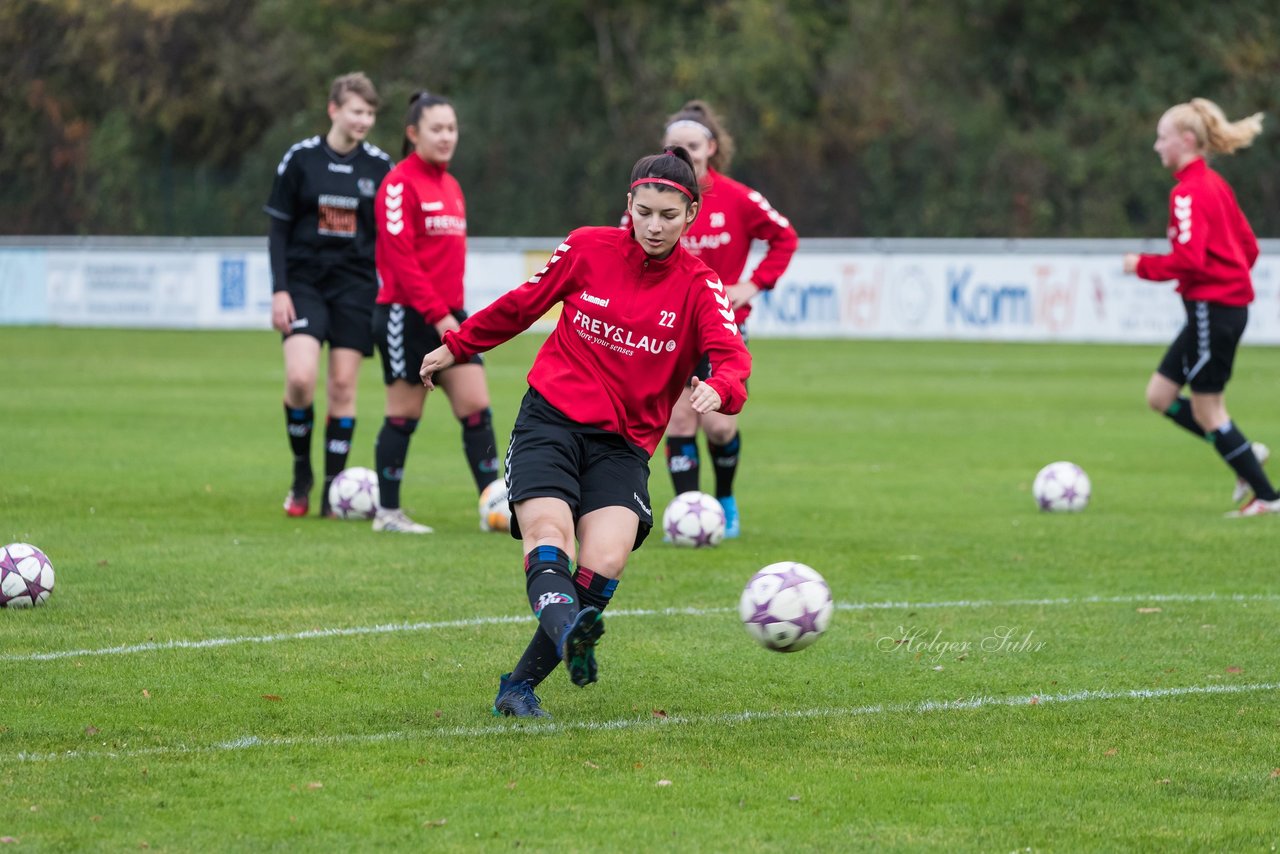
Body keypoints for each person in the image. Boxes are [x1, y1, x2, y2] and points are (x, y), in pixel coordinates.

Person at [418, 146, 751, 717]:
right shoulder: (587, 247)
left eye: (669, 216)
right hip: (551, 419)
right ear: (629, 204)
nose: (654, 226)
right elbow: (524, 305)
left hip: (622, 446)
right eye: (644, 211)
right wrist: (456, 346)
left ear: (690, 216)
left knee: (607, 560)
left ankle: (518, 684)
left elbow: (733, 358)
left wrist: (720, 388)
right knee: (551, 534)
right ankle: (568, 632)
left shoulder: (701, 286)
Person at [647, 100, 797, 538]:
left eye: (693, 146)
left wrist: (753, 285)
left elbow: (784, 238)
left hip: (721, 329)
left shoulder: (739, 198)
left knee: (718, 424)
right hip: (669, 330)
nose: (686, 154)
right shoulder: (653, 199)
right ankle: (686, 515)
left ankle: (726, 499)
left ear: (710, 146)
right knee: (677, 420)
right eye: (676, 147)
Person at [1122, 98, 1276, 516]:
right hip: (1214, 308)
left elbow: (1189, 259)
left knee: (1209, 409)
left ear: (1186, 141)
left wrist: (1142, 266)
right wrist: (1230, 277)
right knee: (1160, 396)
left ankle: (1266, 496)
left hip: (1214, 308)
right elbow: (1248, 247)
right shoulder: (1216, 186)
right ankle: (1239, 450)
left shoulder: (1188, 193)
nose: (1157, 146)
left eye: (1162, 137)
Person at [371, 90, 502, 534]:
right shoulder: (398, 184)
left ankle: (492, 506)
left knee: (476, 408)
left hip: (449, 314)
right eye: (437, 129)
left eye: (452, 128)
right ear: (413, 133)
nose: (447, 137)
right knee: (404, 414)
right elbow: (401, 260)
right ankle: (387, 513)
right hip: (405, 315)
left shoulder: (450, 184)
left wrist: (451, 315)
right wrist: (438, 315)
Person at [265, 72, 393, 518]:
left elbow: (391, 238)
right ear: (334, 109)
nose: (364, 120)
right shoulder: (300, 159)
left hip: (356, 287)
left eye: (370, 113)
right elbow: (278, 228)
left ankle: (332, 494)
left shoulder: (381, 167)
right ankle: (302, 474)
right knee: (301, 378)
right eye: (357, 110)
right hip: (303, 283)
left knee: (342, 386)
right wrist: (279, 289)